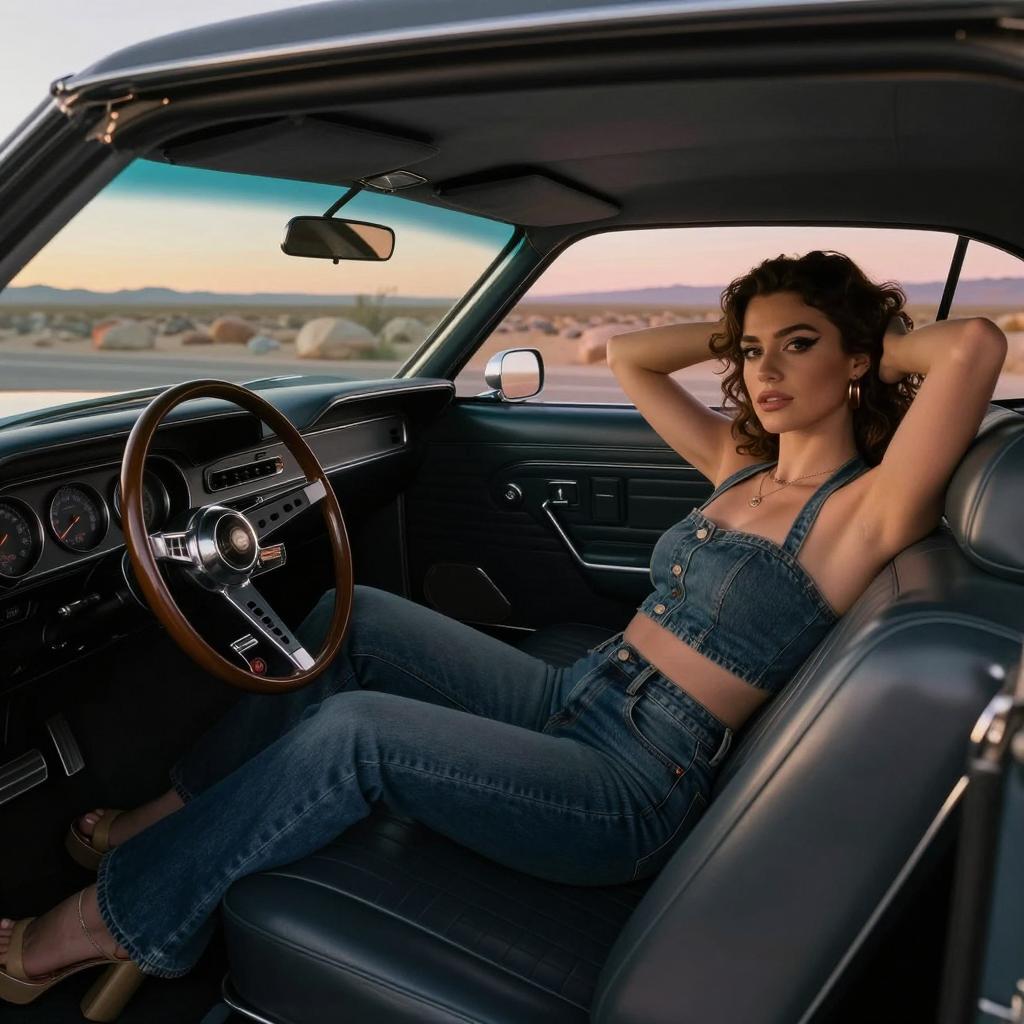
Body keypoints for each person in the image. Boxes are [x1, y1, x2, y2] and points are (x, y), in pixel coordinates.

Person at [0, 251, 1008, 1016]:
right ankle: (167, 817)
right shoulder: (739, 468)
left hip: (633, 783)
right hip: (581, 692)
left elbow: (971, 348)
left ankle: (109, 923)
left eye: (800, 345)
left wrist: (856, 334)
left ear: (859, 357)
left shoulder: (860, 513)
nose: (765, 368)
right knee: (362, 620)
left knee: (359, 733)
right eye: (752, 350)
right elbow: (627, 355)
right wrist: (747, 329)